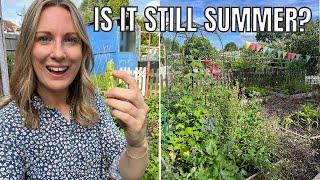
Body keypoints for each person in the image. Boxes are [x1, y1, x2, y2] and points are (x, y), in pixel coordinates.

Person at [0, 0, 149, 179]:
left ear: (82, 49)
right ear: (27, 48)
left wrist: (137, 144)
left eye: (71, 39)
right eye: (44, 38)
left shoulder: (91, 101)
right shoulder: (8, 126)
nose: (58, 53)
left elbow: (123, 172)